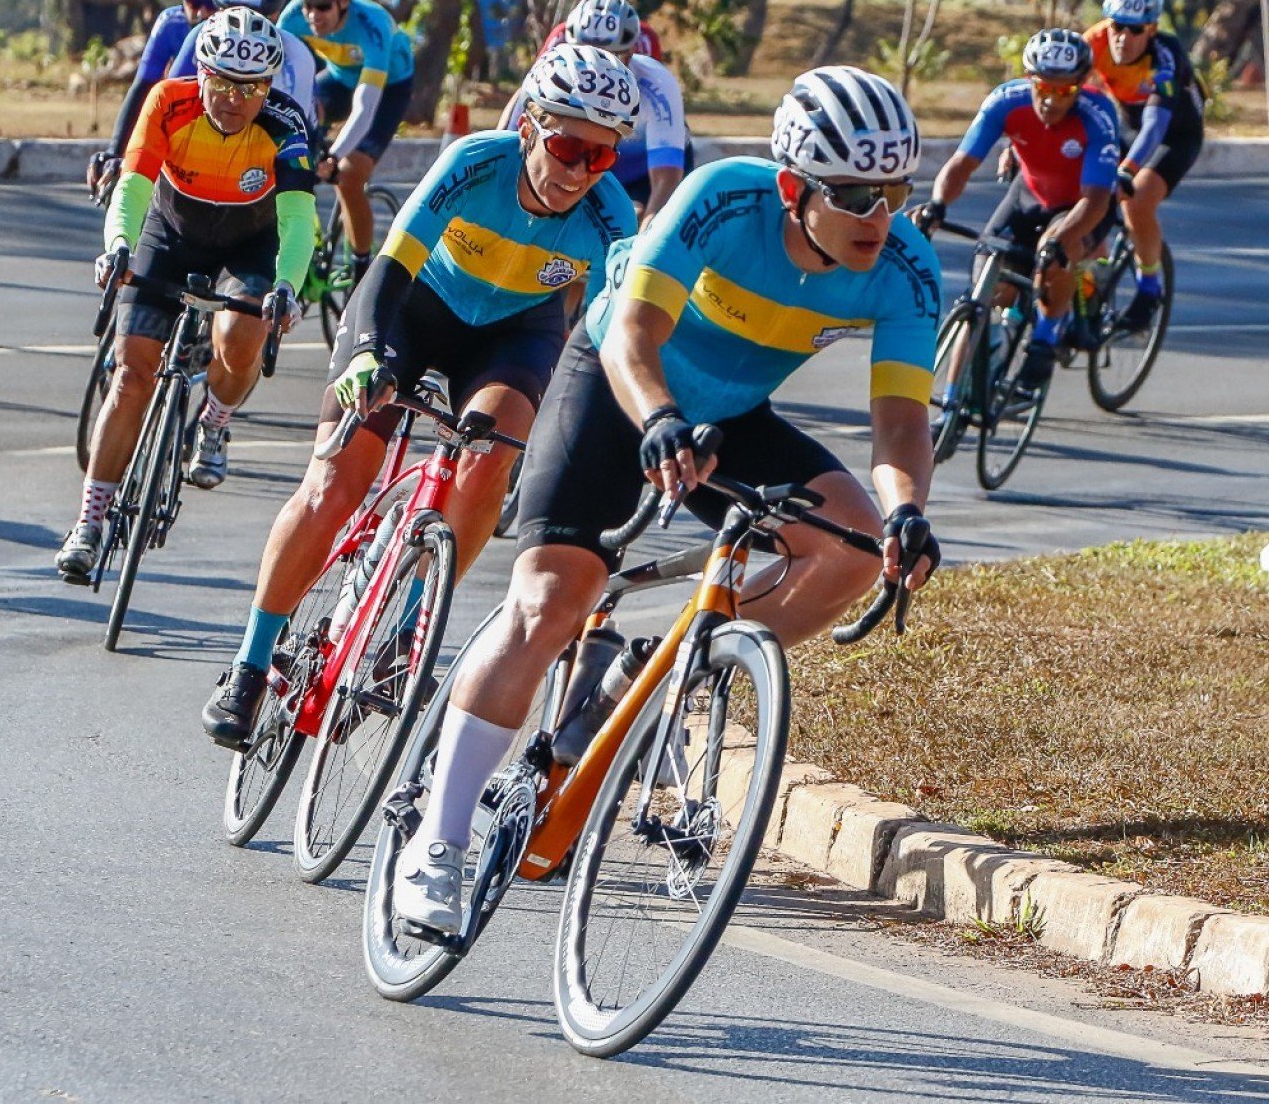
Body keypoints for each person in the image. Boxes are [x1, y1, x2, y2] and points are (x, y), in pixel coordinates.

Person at [388, 66, 944, 934]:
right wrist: (658, 418)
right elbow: (635, 335)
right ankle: (438, 841)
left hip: (727, 415)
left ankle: (659, 671)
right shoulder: (720, 200)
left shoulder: (905, 264)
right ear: (795, 189)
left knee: (857, 543)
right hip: (615, 392)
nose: (880, 216)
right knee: (552, 602)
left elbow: (901, 416)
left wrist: (908, 507)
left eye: (895, 192)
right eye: (855, 195)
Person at [200, 44, 641, 745]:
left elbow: (624, 333)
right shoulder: (475, 163)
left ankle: (407, 626)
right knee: (335, 482)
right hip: (413, 309)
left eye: (602, 157)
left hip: (513, 332)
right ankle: (250, 666)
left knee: (492, 455)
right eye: (566, 147)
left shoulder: (614, 218)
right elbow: (390, 267)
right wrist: (366, 352)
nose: (579, 172)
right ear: (529, 126)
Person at [55, 10, 315, 581]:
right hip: (170, 234)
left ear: (269, 86)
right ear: (200, 71)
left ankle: (215, 422)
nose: (231, 98)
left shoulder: (287, 123)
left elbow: (299, 219)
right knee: (131, 373)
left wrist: (289, 286)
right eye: (219, 81)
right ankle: (88, 522)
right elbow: (134, 183)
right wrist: (118, 243)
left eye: (248, 87)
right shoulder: (168, 102)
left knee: (241, 333)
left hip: (251, 241)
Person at [924, 28, 1122, 389]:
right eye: (1043, 87)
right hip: (1029, 195)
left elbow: (1095, 201)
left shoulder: (1097, 115)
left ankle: (1044, 343)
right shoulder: (1005, 101)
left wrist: (1058, 241)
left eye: (1063, 90)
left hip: (1080, 203)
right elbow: (961, 165)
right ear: (1029, 79)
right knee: (985, 290)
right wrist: (937, 205)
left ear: (1080, 86)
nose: (1050, 100)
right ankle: (951, 405)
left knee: (1056, 250)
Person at [280, 0, 415, 280]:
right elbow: (284, 87)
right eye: (307, 4)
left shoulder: (372, 24)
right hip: (339, 79)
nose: (312, 15)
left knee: (348, 173)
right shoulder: (292, 17)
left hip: (388, 88)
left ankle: (361, 268)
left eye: (323, 5)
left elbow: (365, 106)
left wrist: (334, 155)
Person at [1083, 0, 1205, 332]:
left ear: (1151, 30)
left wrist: (1127, 170)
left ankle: (1149, 287)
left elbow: (1154, 128)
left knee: (1135, 200)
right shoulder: (1094, 41)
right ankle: (1093, 278)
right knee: (1086, 193)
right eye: (1116, 26)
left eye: (1134, 30)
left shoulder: (1165, 60)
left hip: (1174, 133)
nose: (1122, 37)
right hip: (1127, 123)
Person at [505, 0, 685, 221]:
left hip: (640, 174)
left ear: (631, 53)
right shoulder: (550, 72)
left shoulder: (658, 83)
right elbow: (508, 141)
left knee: (638, 217)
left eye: (611, 56)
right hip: (586, 166)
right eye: (583, 55)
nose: (596, 66)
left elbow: (666, 178)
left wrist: (647, 235)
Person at [87, 0, 228, 196]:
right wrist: (116, 150)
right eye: (193, 3)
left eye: (210, 5)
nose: (201, 14)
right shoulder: (170, 23)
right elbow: (143, 86)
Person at [168, 0, 317, 131]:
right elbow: (172, 101)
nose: (242, 27)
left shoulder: (296, 53)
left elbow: (298, 128)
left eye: (253, 19)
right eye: (232, 14)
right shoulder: (201, 33)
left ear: (274, 16)